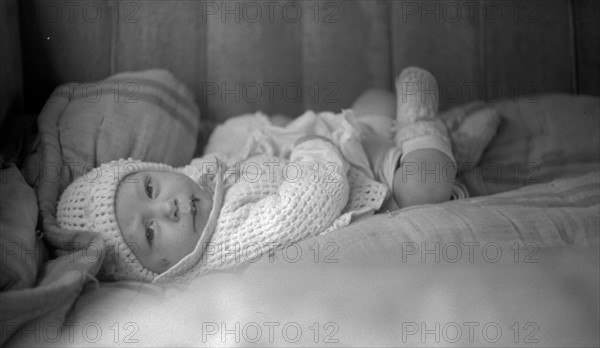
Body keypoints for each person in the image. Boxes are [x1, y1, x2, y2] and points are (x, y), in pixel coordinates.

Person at [56, 67, 459, 283]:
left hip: (340, 149)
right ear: (157, 270)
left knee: (375, 101)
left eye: (150, 187)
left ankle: (391, 120)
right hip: (363, 186)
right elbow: (310, 202)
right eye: (149, 232)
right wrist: (313, 146)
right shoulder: (229, 242)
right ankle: (421, 124)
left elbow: (223, 152)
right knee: (427, 185)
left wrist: (258, 132)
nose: (169, 206)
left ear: (158, 171)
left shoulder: (194, 181)